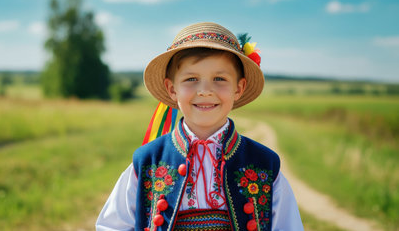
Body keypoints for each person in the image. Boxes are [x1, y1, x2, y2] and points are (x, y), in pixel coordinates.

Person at [96, 22, 303, 231]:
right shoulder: (147, 162)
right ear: (172, 89)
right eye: (191, 79)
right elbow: (112, 226)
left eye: (219, 79)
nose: (205, 91)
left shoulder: (264, 165)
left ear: (239, 88)